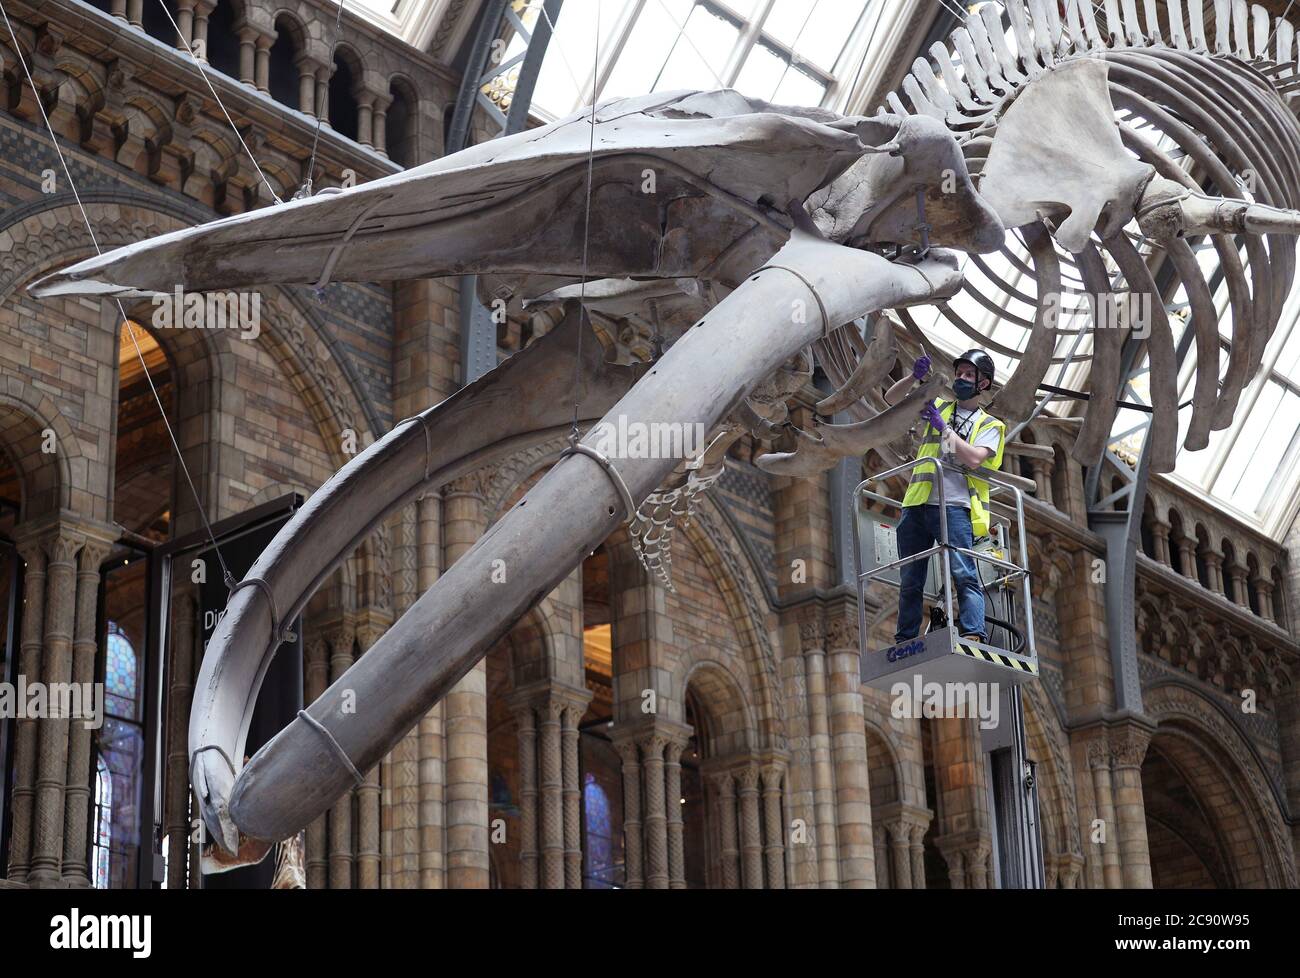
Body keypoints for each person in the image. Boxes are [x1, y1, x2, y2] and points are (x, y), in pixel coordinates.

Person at [882, 348, 1006, 644]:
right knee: (910, 578)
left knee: (963, 572)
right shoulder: (941, 405)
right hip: (917, 503)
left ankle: (973, 633)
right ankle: (906, 638)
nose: (961, 378)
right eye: (959, 373)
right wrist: (913, 376)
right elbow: (892, 400)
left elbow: (974, 458)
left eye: (968, 375)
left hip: (954, 506)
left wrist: (943, 428)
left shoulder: (990, 425)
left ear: (983, 384)